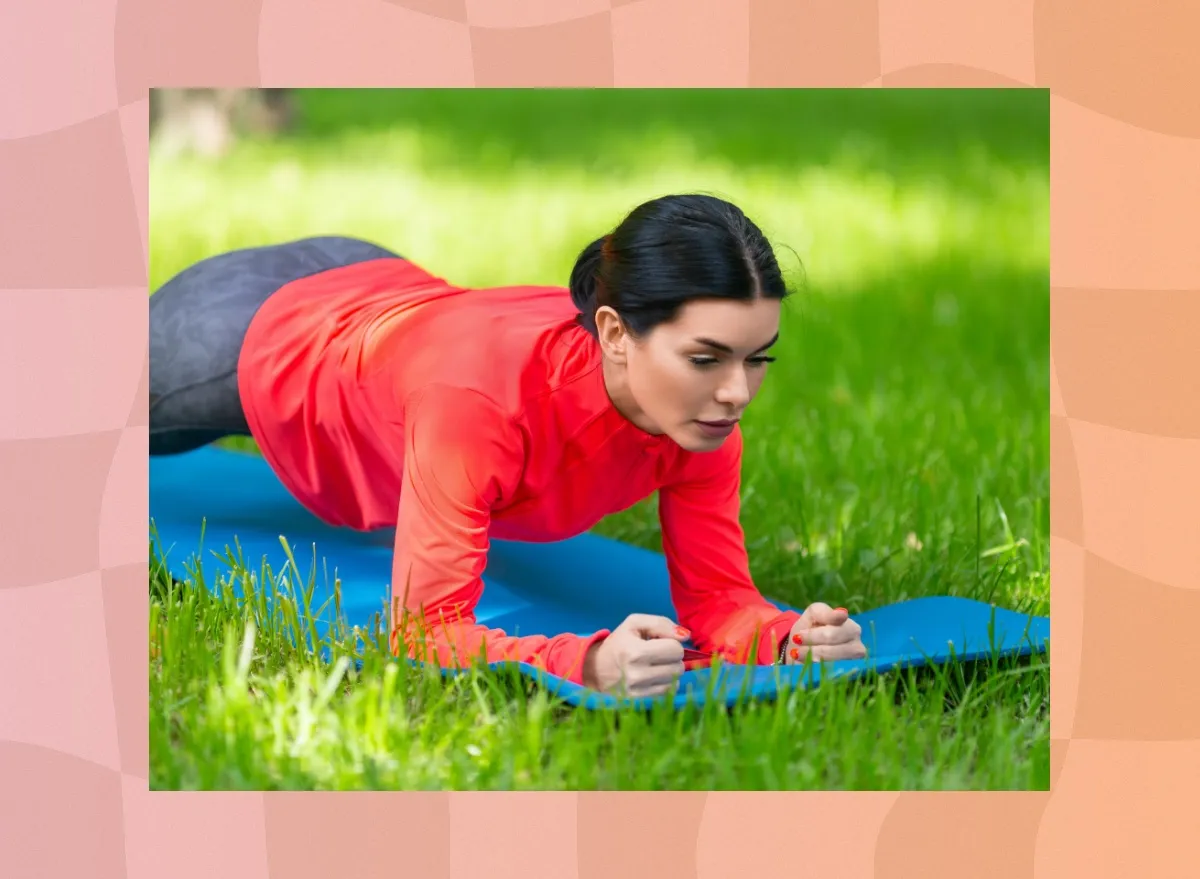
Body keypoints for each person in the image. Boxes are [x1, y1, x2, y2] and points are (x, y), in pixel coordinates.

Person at [149, 193, 867, 697]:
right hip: (255, 333)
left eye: (758, 357)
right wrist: (583, 663)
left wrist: (786, 638)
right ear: (615, 333)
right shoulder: (482, 408)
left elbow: (718, 599)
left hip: (389, 289)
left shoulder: (702, 423)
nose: (738, 392)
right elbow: (423, 631)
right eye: (707, 358)